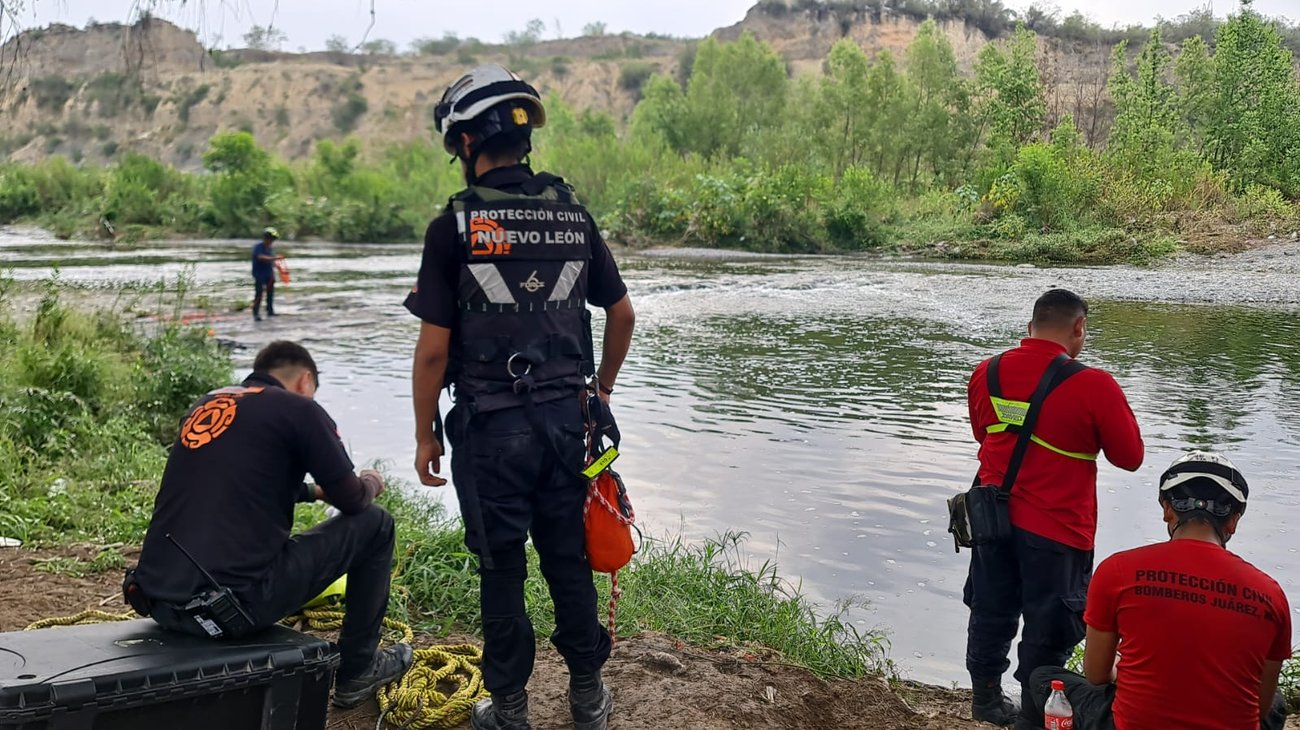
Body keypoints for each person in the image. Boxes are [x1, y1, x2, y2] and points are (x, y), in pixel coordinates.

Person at [405, 64, 635, 730]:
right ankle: (588, 697)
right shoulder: (572, 214)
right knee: (569, 559)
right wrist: (601, 391)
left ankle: (509, 709)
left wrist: (425, 435)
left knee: (502, 571)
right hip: (571, 425)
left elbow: (432, 353)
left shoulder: (453, 227)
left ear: (468, 144)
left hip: (490, 430)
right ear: (523, 140)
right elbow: (621, 316)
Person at [127, 341, 412, 709]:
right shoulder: (300, 409)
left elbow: (242, 481)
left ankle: (355, 667)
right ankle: (359, 670)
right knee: (376, 523)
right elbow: (354, 499)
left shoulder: (208, 403)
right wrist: (372, 480)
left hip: (159, 602)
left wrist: (312, 491)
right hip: (229, 611)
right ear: (305, 381)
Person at [964, 288, 1145, 728]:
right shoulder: (1093, 384)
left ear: (1031, 327)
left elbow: (982, 434)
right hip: (1057, 528)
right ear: (1079, 328)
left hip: (991, 519)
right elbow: (1130, 456)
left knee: (991, 609)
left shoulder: (986, 372)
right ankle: (1034, 712)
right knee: (1050, 626)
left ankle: (986, 700)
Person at [1028, 452, 1291, 730]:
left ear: (1167, 509)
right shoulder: (1269, 594)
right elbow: (1259, 706)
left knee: (1044, 677)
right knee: (1275, 703)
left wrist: (1125, 668)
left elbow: (1096, 675)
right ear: (1233, 521)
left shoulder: (1118, 570)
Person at [252, 227, 281, 321]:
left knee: (270, 294)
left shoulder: (270, 248)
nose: (271, 241)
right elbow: (260, 257)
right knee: (259, 294)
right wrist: (273, 259)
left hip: (269, 274)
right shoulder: (258, 247)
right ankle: (256, 313)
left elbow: (271, 261)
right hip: (259, 274)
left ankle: (270, 311)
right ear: (266, 238)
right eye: (271, 239)